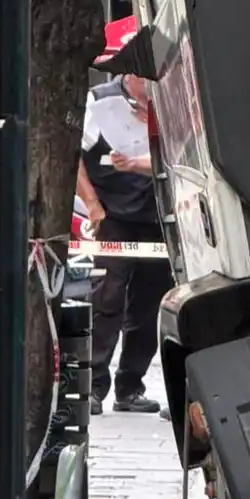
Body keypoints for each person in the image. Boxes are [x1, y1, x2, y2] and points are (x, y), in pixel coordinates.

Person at [77, 73, 172, 417]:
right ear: (130, 77)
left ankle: (130, 386)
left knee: (149, 305)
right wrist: (91, 204)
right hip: (113, 213)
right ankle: (94, 386)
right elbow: (73, 157)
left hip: (159, 213)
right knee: (107, 298)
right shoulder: (99, 102)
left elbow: (178, 154)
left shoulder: (167, 99)